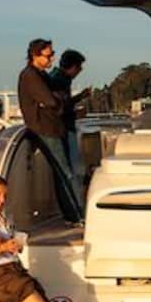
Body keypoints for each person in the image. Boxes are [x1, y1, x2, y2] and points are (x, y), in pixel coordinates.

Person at [17, 38, 75, 196]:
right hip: (45, 129)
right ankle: (77, 214)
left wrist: (54, 99)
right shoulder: (30, 76)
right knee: (65, 173)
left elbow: (54, 99)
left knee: (64, 172)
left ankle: (74, 212)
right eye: (48, 56)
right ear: (35, 56)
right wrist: (54, 100)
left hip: (53, 128)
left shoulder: (41, 75)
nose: (52, 58)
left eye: (53, 54)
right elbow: (51, 100)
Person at [48, 49, 90, 198]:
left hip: (63, 128)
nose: (80, 70)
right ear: (72, 67)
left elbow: (63, 103)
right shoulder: (59, 81)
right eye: (79, 67)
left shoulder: (58, 78)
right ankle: (75, 204)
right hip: (63, 130)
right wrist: (76, 114)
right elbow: (58, 108)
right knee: (72, 170)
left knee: (73, 168)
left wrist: (80, 97)